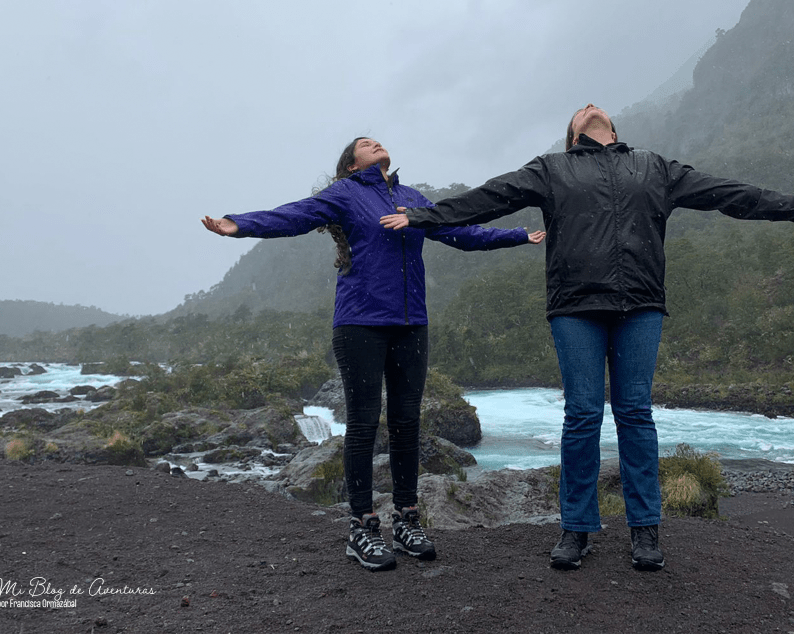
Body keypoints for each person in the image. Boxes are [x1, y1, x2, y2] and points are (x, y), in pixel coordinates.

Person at [380, 105, 794, 572]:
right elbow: (490, 197)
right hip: (575, 307)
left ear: (614, 130)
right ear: (574, 134)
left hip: (639, 304)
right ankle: (576, 529)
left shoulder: (655, 167)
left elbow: (727, 193)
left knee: (635, 412)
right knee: (582, 414)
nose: (589, 107)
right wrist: (423, 216)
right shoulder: (552, 169)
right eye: (580, 112)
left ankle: (644, 529)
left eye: (594, 108)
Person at [202, 137, 545, 572]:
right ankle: (362, 526)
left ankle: (407, 519)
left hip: (411, 323)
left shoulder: (411, 198)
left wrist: (517, 235)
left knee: (406, 424)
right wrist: (238, 224)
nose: (374, 141)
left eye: (377, 139)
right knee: (363, 425)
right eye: (364, 144)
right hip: (360, 323)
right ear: (350, 165)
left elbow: (460, 229)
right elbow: (294, 215)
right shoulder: (345, 193)